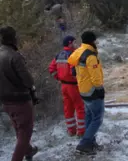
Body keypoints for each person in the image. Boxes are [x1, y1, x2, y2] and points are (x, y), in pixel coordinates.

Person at [0, 26, 40, 161]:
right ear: (12, 39)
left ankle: (28, 151)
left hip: (5, 102)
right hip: (20, 101)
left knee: (19, 128)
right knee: (25, 132)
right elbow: (28, 81)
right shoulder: (14, 56)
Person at [68, 31, 105, 155]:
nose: (96, 43)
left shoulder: (78, 52)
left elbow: (73, 69)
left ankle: (90, 143)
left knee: (89, 116)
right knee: (97, 119)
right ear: (92, 41)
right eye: (95, 40)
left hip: (83, 90)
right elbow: (95, 77)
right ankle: (84, 144)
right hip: (92, 91)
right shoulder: (90, 56)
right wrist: (100, 89)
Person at [49, 36, 85, 137]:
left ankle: (71, 130)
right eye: (74, 42)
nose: (76, 44)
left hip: (64, 86)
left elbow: (51, 69)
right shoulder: (73, 55)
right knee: (80, 108)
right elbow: (74, 72)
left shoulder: (59, 55)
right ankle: (81, 131)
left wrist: (59, 78)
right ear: (70, 43)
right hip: (73, 86)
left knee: (68, 108)